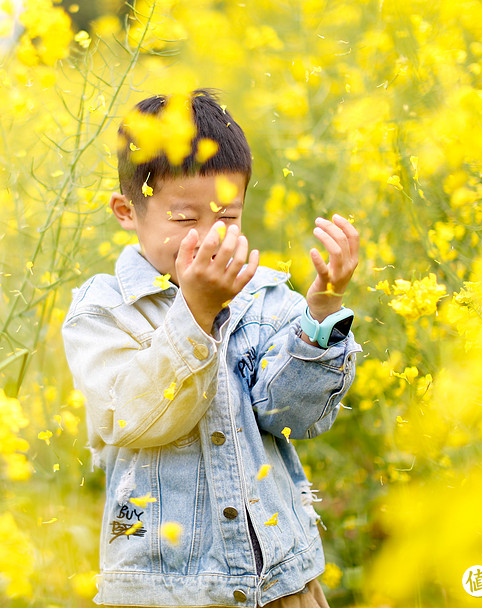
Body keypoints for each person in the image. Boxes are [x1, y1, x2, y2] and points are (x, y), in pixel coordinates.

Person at [61, 89, 363, 608]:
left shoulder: (266, 295)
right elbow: (130, 417)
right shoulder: (102, 311)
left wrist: (320, 309)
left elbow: (293, 416)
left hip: (280, 582)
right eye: (183, 220)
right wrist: (196, 313)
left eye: (226, 217)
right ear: (127, 211)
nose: (207, 237)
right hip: (163, 592)